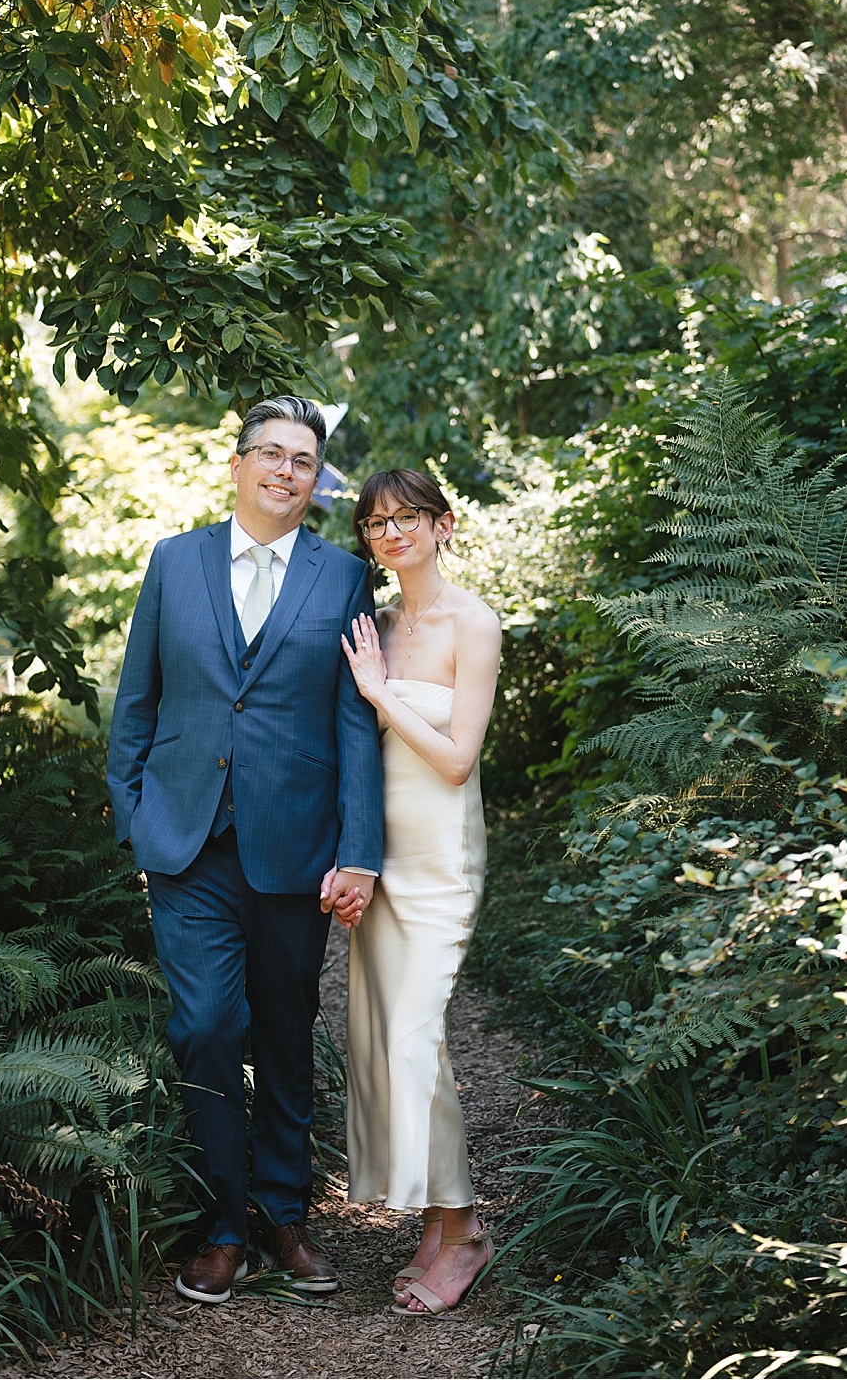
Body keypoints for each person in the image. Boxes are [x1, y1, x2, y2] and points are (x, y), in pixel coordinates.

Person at [107, 395, 384, 1305]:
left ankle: (284, 1213)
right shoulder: (173, 562)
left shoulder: (342, 577)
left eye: (303, 461)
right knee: (206, 1028)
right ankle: (224, 1223)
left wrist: (358, 850)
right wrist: (136, 819)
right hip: (187, 844)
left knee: (285, 1030)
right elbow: (135, 706)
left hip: (295, 848)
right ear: (237, 465)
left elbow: (354, 726)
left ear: (316, 480)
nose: (285, 471)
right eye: (270, 454)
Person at [328, 468, 502, 1318]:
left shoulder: (474, 621)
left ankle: (466, 1228)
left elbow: (457, 757)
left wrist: (380, 692)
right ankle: (437, 1221)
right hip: (379, 857)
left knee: (413, 1032)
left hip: (440, 857)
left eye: (408, 517)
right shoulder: (379, 625)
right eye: (375, 524)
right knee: (384, 1039)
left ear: (443, 523)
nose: (391, 532)